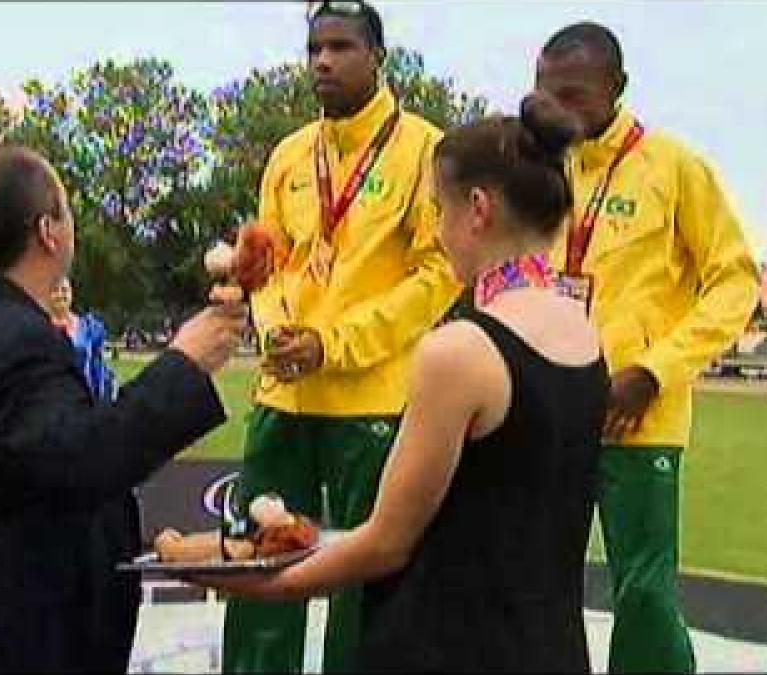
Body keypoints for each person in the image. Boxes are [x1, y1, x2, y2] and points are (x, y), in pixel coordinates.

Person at [194, 92, 609, 673]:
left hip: (450, 649)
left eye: (439, 210)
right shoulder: (585, 333)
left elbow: (386, 543)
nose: (437, 232)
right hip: (551, 649)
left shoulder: (460, 351)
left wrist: (253, 579)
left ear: (478, 209)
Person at [0, 145, 249, 673]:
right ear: (48, 231)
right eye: (68, 212)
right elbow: (85, 458)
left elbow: (22, 478)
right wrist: (185, 363)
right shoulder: (13, 339)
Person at [222, 1, 462, 671]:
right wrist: (273, 327)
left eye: (340, 47)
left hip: (373, 400)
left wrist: (335, 342)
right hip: (283, 398)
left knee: (364, 585)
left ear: (377, 56)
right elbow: (260, 262)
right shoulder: (289, 155)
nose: (323, 61)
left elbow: (438, 273)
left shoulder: (425, 149)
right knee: (261, 570)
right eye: (313, 49)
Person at [535, 22, 760, 673]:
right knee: (537, 579)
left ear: (618, 87)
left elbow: (734, 281)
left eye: (574, 96)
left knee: (643, 593)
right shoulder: (542, 167)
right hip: (551, 413)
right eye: (548, 95)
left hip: (638, 417)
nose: (559, 111)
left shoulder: (674, 167)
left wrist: (654, 371)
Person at [50, 275, 139, 670]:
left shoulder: (88, 328)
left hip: (98, 426)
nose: (64, 291)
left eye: (68, 286)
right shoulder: (33, 332)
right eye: (57, 287)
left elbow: (102, 367)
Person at [50, 276, 117, 401]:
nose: (60, 295)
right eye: (55, 290)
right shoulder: (38, 325)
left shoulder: (90, 327)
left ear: (71, 293)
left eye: (64, 290)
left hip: (83, 400)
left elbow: (98, 367)